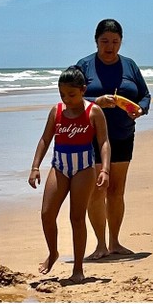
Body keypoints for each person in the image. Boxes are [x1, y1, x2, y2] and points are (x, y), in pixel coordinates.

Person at [77, 19, 151, 259]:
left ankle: (115, 242)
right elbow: (71, 97)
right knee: (98, 189)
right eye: (105, 41)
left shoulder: (130, 66)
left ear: (121, 42)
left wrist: (141, 109)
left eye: (115, 42)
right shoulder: (84, 66)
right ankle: (100, 244)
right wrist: (95, 101)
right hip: (92, 136)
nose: (110, 47)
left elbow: (145, 95)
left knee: (117, 191)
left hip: (123, 134)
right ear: (96, 40)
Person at [29, 66, 110, 283]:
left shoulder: (93, 111)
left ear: (83, 90)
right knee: (47, 214)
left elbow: (103, 142)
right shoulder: (56, 111)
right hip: (60, 166)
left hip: (84, 167)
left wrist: (105, 169)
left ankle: (78, 268)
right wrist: (35, 167)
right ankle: (53, 252)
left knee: (76, 218)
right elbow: (45, 139)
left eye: (71, 94)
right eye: (62, 94)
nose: (67, 99)